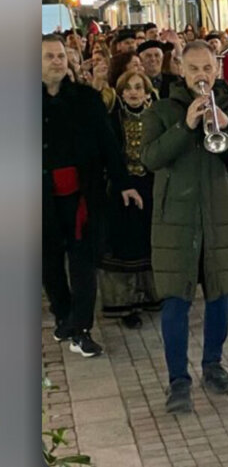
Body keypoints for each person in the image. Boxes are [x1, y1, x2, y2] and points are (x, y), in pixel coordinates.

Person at [140, 40, 228, 413]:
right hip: (174, 221)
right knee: (175, 301)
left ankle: (214, 364)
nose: (201, 76)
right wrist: (185, 125)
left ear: (217, 70)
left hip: (221, 217)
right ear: (181, 70)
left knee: (219, 296)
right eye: (193, 69)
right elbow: (150, 158)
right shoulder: (160, 111)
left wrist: (227, 125)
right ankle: (178, 379)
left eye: (207, 69)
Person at [42, 34, 140, 357]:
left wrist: (123, 182)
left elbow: (108, 144)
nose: (57, 61)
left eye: (60, 56)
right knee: (49, 263)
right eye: (49, 57)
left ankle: (82, 328)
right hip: (41, 199)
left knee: (84, 263)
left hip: (82, 195)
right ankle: (64, 316)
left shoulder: (86, 99)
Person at [98, 70, 159, 329]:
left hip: (150, 186)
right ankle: (125, 304)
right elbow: (109, 154)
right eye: (128, 88)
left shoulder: (156, 117)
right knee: (124, 246)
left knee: (148, 242)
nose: (133, 92)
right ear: (121, 92)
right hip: (121, 188)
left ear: (147, 92)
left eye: (138, 87)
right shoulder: (112, 117)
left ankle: (150, 296)